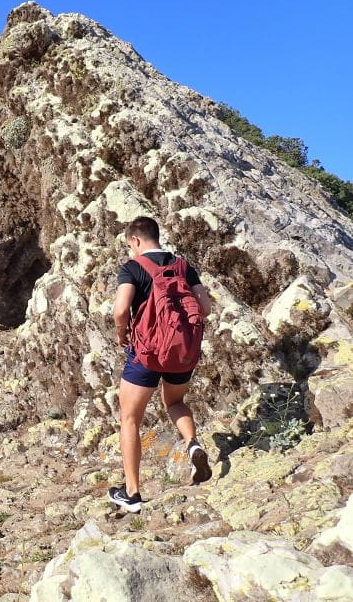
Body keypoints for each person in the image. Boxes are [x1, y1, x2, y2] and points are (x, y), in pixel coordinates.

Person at [108, 216, 213, 513]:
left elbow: (120, 309)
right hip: (181, 352)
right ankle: (192, 443)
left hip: (147, 353)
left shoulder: (133, 267)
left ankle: (132, 493)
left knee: (129, 419)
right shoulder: (182, 266)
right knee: (175, 401)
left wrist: (123, 332)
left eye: (130, 245)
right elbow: (204, 308)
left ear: (136, 240)